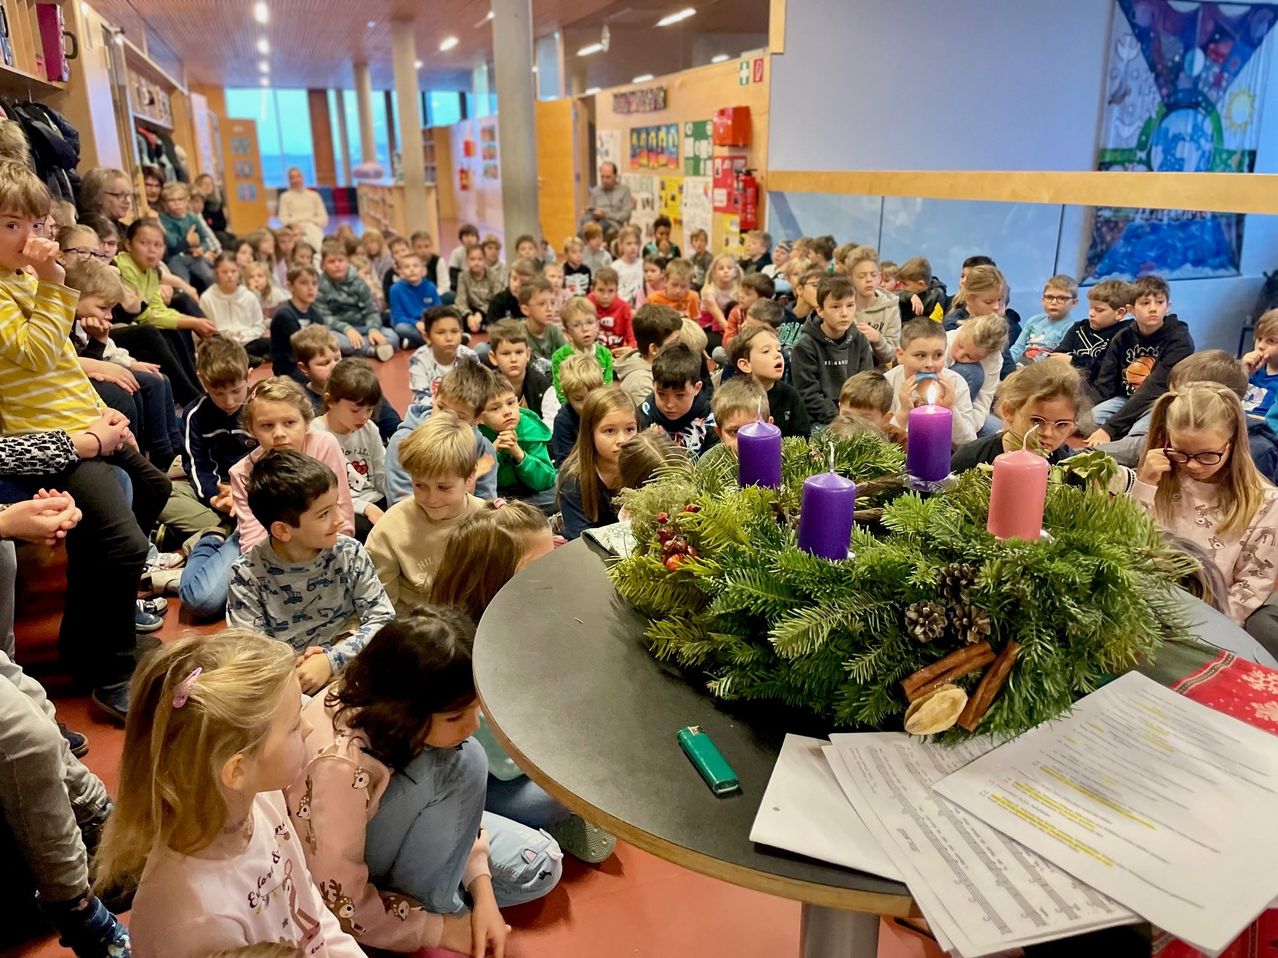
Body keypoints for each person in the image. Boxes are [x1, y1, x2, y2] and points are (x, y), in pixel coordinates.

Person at [287, 609, 562, 957]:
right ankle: (431, 909)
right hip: (348, 879)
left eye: (476, 709)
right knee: (469, 761)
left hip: (400, 821)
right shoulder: (340, 768)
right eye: (455, 716)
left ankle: (431, 905)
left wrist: (482, 888)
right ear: (405, 711)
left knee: (542, 865)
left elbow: (460, 809)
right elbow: (339, 899)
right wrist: (441, 930)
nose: (473, 724)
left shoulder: (396, 717)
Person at [96, 632, 364, 958]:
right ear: (237, 769)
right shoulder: (198, 918)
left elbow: (309, 906)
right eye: (293, 726)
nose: (308, 729)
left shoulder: (260, 798)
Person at [178, 378, 354, 619]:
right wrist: (283, 577)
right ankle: (208, 541)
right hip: (264, 541)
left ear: (307, 422)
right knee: (202, 601)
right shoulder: (242, 473)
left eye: (290, 423)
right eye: (267, 426)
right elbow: (253, 541)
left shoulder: (324, 444)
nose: (279, 434)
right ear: (252, 430)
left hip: (315, 533)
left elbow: (341, 512)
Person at [227, 449, 394, 693]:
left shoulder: (348, 552)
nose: (338, 520)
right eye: (324, 514)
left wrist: (331, 659)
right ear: (283, 530)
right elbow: (250, 656)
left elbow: (383, 618)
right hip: (289, 684)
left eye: (335, 507)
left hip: (355, 667)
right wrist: (298, 670)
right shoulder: (247, 575)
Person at [1132, 383, 1278, 625]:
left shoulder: (1265, 503)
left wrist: (1208, 630)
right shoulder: (1159, 480)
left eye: (1207, 455)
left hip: (1210, 626)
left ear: (1232, 445)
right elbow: (1127, 547)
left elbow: (1249, 589)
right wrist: (1144, 485)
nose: (1193, 465)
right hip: (1144, 612)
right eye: (1181, 453)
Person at [63, 253, 182, 467]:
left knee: (157, 378)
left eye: (111, 309)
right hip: (74, 385)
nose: (109, 316)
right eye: (103, 308)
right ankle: (157, 456)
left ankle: (172, 446)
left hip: (95, 370)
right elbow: (74, 366)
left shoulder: (85, 321)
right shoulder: (63, 321)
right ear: (74, 297)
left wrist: (127, 361)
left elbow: (106, 352)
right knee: (128, 390)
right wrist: (98, 341)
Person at [1090, 350, 1278, 484]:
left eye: (1179, 398)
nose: (1171, 405)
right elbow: (1134, 448)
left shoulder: (1259, 451)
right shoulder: (1177, 427)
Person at [367, 412, 486, 612]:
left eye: (443, 487)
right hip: (416, 630)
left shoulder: (489, 520)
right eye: (420, 485)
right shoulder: (389, 530)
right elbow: (380, 607)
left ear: (470, 477)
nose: (431, 499)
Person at [115, 219, 218, 400]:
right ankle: (191, 396)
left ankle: (197, 389)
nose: (152, 250)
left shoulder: (151, 270)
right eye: (144, 243)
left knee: (177, 329)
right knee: (153, 330)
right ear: (128, 244)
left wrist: (192, 322)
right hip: (116, 327)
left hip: (137, 323)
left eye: (158, 245)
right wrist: (192, 322)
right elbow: (145, 316)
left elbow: (158, 308)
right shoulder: (123, 266)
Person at [1087, 275, 1194, 446]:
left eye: (1159, 302)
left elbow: (1156, 387)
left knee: (1140, 437)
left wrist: (1110, 428)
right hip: (1127, 399)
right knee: (1086, 421)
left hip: (1161, 402)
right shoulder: (1123, 338)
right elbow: (1105, 384)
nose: (1153, 309)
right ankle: (1118, 436)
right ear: (1131, 309)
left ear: (1168, 307)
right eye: (1145, 303)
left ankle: (1093, 455)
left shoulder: (1179, 339)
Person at [170, 336, 255, 548]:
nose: (229, 401)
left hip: (259, 488)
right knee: (162, 492)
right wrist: (217, 498)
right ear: (202, 381)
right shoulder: (194, 416)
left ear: (248, 376)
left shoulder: (262, 408)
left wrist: (246, 495)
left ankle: (216, 531)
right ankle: (225, 526)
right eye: (218, 393)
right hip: (220, 491)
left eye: (236, 391)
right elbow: (198, 467)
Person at [385, 364, 499, 505]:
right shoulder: (402, 441)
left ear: (478, 418)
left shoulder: (484, 450)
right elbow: (399, 504)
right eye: (441, 407)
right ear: (434, 396)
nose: (445, 418)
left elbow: (487, 505)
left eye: (460, 416)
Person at [952, 361, 1085, 472]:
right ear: (1009, 411)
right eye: (1037, 421)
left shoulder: (1070, 469)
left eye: (1062, 424)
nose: (1048, 433)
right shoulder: (970, 459)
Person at [313, 359, 387, 540]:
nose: (363, 417)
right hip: (341, 506)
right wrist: (366, 507)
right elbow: (324, 494)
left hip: (374, 500)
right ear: (330, 401)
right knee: (363, 531)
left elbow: (382, 475)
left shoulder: (369, 429)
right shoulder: (317, 434)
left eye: (369, 410)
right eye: (355, 410)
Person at [792, 274, 875, 424]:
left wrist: (854, 416)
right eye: (836, 306)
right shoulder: (805, 345)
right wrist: (839, 419)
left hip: (855, 416)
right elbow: (808, 395)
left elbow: (866, 384)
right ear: (820, 310)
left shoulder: (859, 339)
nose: (844, 313)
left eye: (850, 305)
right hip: (819, 420)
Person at [558, 388, 639, 539]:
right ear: (590, 432)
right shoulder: (573, 479)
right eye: (609, 431)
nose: (622, 440)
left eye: (629, 429)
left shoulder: (643, 467)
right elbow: (580, 540)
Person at [887, 318, 978, 446]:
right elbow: (878, 445)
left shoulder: (955, 383)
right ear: (901, 355)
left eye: (938, 355)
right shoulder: (887, 384)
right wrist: (903, 412)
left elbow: (968, 444)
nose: (929, 364)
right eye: (920, 355)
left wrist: (949, 408)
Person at [477, 375, 557, 511]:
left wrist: (519, 454)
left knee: (558, 497)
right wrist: (493, 451)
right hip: (493, 496)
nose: (507, 412)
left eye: (510, 403)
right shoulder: (476, 435)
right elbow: (474, 481)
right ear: (480, 417)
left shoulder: (529, 428)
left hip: (529, 495)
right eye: (495, 408)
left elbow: (546, 481)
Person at [317, 240, 396, 361]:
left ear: (347, 261)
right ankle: (371, 350)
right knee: (332, 340)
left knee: (393, 337)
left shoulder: (358, 281)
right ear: (323, 265)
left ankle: (362, 348)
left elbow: (371, 310)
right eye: (331, 261)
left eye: (341, 260)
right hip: (340, 331)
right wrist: (347, 329)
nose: (337, 265)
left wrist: (373, 329)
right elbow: (325, 317)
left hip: (363, 326)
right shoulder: (320, 286)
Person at [1049, 279, 1132, 391]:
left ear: (1120, 313)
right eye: (1091, 308)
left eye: (1099, 310)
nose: (1091, 314)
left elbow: (1106, 369)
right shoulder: (1079, 327)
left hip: (1097, 392)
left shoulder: (1124, 334)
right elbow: (1056, 356)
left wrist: (1073, 361)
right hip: (1065, 385)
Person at [635, 344, 717, 458]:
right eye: (662, 394)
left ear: (696, 388)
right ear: (653, 384)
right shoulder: (642, 416)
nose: (669, 404)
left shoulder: (711, 421)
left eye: (679, 395)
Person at [730, 325, 809, 437]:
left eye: (778, 350)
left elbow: (803, 436)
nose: (777, 355)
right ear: (745, 365)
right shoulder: (733, 398)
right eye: (766, 351)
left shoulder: (789, 394)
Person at [946, 312, 1011, 437]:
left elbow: (983, 401)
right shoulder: (945, 341)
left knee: (999, 430)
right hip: (940, 406)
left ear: (987, 355)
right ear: (963, 329)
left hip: (966, 414)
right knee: (972, 372)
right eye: (960, 345)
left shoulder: (994, 359)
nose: (959, 355)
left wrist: (968, 427)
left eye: (970, 356)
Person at [199, 252, 269, 361]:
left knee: (269, 344)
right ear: (217, 273)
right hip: (221, 344)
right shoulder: (207, 298)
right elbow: (205, 330)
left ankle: (243, 357)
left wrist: (245, 335)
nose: (230, 276)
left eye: (233, 271)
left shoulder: (248, 296)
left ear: (239, 271)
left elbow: (259, 325)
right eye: (224, 272)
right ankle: (244, 359)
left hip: (247, 342)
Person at [613, 304, 683, 408]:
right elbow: (649, 421)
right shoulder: (640, 383)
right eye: (673, 343)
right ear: (654, 349)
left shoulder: (663, 366)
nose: (680, 346)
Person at [408, 305, 476, 410]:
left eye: (454, 331)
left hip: (464, 412)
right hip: (431, 413)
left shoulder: (469, 356)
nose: (449, 338)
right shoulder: (418, 359)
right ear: (427, 337)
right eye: (440, 332)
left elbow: (477, 391)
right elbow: (421, 397)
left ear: (461, 333)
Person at [844, 246, 902, 368]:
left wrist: (877, 339)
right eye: (862, 276)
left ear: (879, 277)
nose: (869, 280)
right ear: (850, 279)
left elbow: (891, 355)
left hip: (876, 372)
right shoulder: (842, 305)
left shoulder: (890, 306)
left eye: (873, 275)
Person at [487, 318, 555, 423]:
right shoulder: (485, 387)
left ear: (528, 354)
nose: (513, 359)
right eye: (506, 353)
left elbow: (552, 423)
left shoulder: (542, 385)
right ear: (493, 357)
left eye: (519, 352)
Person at [699, 377, 772, 471]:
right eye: (735, 431)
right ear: (719, 432)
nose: (744, 442)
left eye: (753, 429)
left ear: (769, 427)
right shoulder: (708, 464)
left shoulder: (784, 459)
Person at [156, 182, 218, 292]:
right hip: (175, 258)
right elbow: (171, 242)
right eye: (171, 200)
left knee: (210, 277)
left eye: (180, 200)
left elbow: (204, 240)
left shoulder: (192, 218)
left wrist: (201, 249)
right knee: (183, 284)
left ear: (187, 201)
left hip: (194, 257)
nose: (176, 203)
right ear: (165, 203)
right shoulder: (163, 219)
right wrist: (188, 241)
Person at [269, 264, 326, 383]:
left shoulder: (316, 314)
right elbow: (302, 348)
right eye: (304, 283)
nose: (311, 288)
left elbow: (322, 343)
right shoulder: (284, 314)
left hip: (309, 364)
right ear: (290, 286)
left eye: (314, 283)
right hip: (287, 368)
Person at [551, 297, 615, 402]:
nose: (585, 329)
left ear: (597, 325)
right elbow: (561, 392)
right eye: (576, 325)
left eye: (589, 322)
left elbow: (607, 389)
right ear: (567, 332)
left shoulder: (605, 354)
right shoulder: (559, 357)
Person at [1009, 275, 1079, 366]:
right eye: (1049, 297)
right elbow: (1018, 348)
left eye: (1061, 298)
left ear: (1074, 303)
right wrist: (1007, 367)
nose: (1053, 302)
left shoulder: (1072, 328)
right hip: (1018, 369)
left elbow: (1057, 361)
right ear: (1042, 300)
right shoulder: (1034, 320)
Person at [551, 352, 604, 466]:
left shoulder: (609, 411)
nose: (586, 405)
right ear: (567, 397)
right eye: (579, 399)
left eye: (591, 396)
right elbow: (564, 464)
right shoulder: (563, 421)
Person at [387, 251, 440, 350]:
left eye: (415, 266)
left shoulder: (430, 286)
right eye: (407, 267)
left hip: (428, 323)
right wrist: (416, 323)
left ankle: (414, 342)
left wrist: (428, 324)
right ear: (401, 273)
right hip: (409, 324)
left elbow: (438, 310)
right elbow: (398, 317)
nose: (411, 269)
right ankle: (436, 341)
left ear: (423, 271)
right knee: (400, 328)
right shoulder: (395, 289)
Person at [277, 166, 329, 249]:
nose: (296, 180)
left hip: (313, 227)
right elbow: (284, 219)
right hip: (295, 231)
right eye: (292, 177)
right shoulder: (285, 197)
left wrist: (310, 221)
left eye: (298, 176)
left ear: (302, 177)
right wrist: (299, 224)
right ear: (289, 180)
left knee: (312, 232)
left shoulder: (314, 195)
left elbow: (323, 218)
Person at [520, 276, 567, 366]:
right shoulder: (519, 334)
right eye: (542, 304)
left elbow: (569, 362)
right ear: (525, 309)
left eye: (552, 303)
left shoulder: (555, 332)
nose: (549, 308)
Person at [699, 254, 742, 353]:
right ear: (714, 273)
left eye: (729, 268)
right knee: (729, 346)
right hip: (710, 328)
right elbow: (721, 320)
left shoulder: (738, 291)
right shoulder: (709, 292)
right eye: (721, 268)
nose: (726, 271)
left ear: (735, 272)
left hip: (730, 325)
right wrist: (738, 338)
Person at [721, 272, 775, 351]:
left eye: (747, 294)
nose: (741, 296)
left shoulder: (769, 316)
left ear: (762, 299)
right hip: (738, 350)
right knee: (718, 352)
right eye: (742, 291)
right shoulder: (736, 311)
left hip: (761, 352)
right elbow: (726, 340)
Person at [588, 265, 634, 353]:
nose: (606, 296)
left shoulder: (624, 308)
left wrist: (630, 349)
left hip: (615, 355)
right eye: (601, 290)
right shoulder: (587, 304)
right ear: (592, 289)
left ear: (617, 291)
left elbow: (632, 340)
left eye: (611, 291)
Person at [838, 370, 899, 436]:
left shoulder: (900, 441)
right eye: (847, 416)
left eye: (864, 419)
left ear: (886, 419)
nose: (853, 425)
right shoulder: (830, 438)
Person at [580, 161, 634, 234]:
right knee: (585, 220)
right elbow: (591, 210)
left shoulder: (624, 190)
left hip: (613, 223)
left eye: (608, 177)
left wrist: (606, 215)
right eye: (602, 177)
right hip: (595, 221)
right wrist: (589, 211)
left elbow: (626, 215)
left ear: (615, 176)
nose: (604, 180)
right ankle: (584, 242)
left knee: (596, 228)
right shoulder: (596, 191)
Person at [1243, 309, 1278, 418]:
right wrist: (1242, 371)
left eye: (1271, 341)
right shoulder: (1252, 367)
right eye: (1259, 338)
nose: (1260, 346)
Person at [647, 259, 701, 325]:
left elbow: (696, 323)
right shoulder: (653, 299)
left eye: (683, 286)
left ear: (690, 285)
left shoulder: (693, 297)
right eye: (674, 285)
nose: (678, 290)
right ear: (665, 281)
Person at [613, 224, 644, 307]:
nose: (633, 247)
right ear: (621, 245)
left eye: (636, 243)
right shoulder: (615, 267)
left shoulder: (644, 264)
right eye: (629, 244)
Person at [446, 223, 481, 293]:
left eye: (472, 236)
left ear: (477, 238)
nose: (469, 239)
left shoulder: (482, 252)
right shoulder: (456, 253)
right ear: (461, 238)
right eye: (466, 236)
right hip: (461, 286)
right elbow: (453, 275)